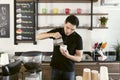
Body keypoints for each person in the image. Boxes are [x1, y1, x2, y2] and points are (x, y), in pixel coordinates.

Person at [36, 15, 83, 80]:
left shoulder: (78, 38)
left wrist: (68, 56)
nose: (68, 31)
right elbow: (38, 37)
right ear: (64, 23)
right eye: (67, 27)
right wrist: (52, 34)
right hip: (56, 68)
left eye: (72, 29)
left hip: (69, 70)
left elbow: (79, 58)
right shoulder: (58, 31)